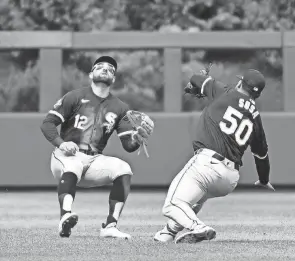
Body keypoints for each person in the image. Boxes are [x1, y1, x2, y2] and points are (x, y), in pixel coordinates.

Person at [154, 68, 274, 244]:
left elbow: (196, 78)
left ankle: (199, 227)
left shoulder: (226, 92)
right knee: (193, 199)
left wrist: (199, 81)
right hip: (229, 179)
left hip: (207, 163)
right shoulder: (256, 118)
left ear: (240, 83)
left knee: (172, 204)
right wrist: (264, 179)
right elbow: (261, 155)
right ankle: (168, 233)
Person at [40, 55, 154, 239]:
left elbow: (128, 146)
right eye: (100, 66)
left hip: (94, 160)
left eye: (110, 68)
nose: (105, 69)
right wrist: (62, 143)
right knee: (74, 164)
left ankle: (110, 226)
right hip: (65, 156)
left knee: (124, 168)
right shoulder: (75, 96)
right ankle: (65, 217)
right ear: (91, 74)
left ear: (114, 79)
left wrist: (138, 138)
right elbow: (47, 124)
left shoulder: (120, 107)